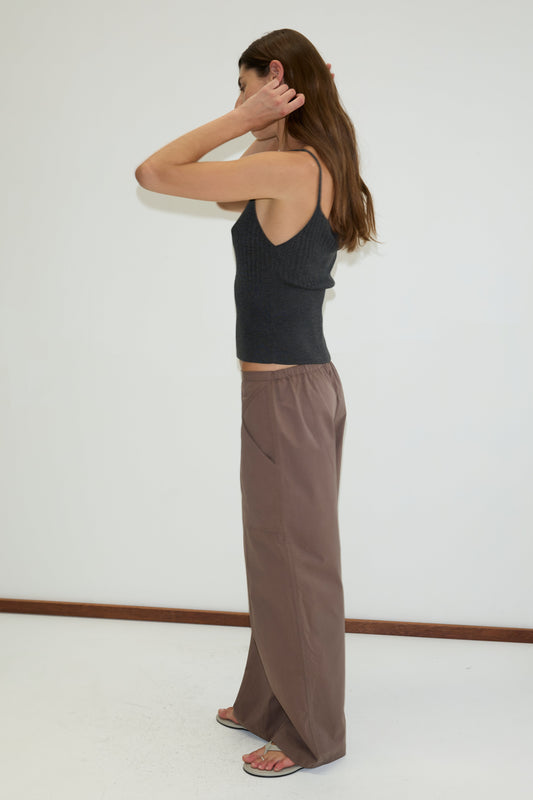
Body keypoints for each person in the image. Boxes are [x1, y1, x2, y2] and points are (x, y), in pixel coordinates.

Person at [135, 28, 377, 778]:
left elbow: (154, 171)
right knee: (276, 555)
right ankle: (265, 701)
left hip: (287, 396)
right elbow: (224, 200)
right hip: (293, 391)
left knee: (295, 564)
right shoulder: (301, 163)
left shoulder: (292, 169)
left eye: (241, 88)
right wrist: (264, 115)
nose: (236, 105)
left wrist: (248, 117)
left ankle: (312, 735)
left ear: (272, 79)